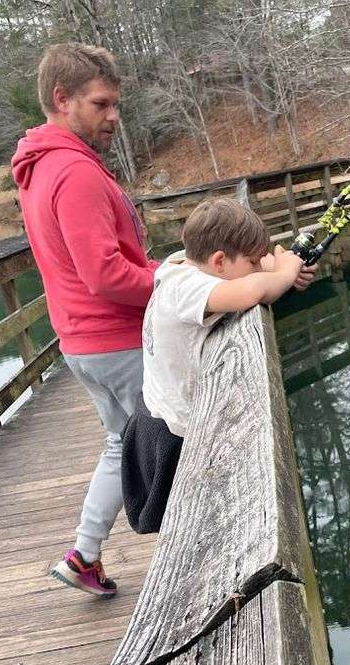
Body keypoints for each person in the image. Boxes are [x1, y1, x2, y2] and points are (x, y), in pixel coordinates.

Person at [12, 42, 159, 597]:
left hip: (82, 343)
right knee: (174, 443)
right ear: (62, 99)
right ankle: (195, 565)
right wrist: (173, 286)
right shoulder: (74, 172)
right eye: (101, 104)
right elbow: (105, 275)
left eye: (115, 104)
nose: (114, 116)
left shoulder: (40, 167)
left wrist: (160, 269)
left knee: (123, 442)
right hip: (117, 341)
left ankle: (83, 555)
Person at [121, 196, 315, 532]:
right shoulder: (187, 290)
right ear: (220, 261)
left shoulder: (180, 265)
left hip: (159, 414)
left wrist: (284, 269)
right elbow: (253, 291)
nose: (258, 267)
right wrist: (284, 273)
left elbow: (262, 269)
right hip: (170, 433)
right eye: (252, 261)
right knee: (186, 526)